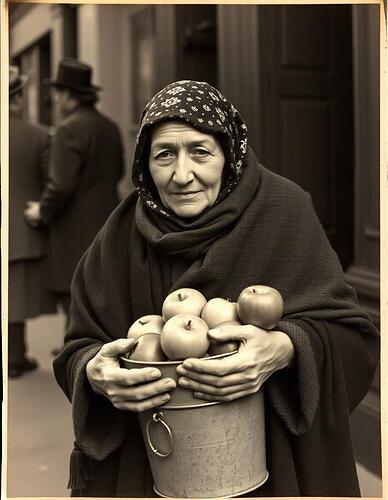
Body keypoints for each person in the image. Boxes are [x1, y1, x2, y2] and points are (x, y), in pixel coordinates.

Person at [53, 80, 379, 497]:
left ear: (230, 153)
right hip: (151, 461)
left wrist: (286, 348)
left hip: (272, 469)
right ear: (143, 163)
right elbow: (77, 348)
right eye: (164, 154)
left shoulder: (284, 211)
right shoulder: (118, 236)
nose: (181, 175)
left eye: (201, 152)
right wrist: (95, 374)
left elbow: (353, 336)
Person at [24, 58, 124, 325]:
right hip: (106, 224)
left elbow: (60, 185)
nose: (56, 101)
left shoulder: (68, 129)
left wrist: (41, 212)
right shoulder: (110, 127)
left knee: (72, 297)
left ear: (68, 94)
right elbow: (120, 173)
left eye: (57, 94)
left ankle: (75, 352)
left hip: (72, 232)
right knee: (97, 293)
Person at [8, 66, 56, 378]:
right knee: (16, 294)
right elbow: (49, 181)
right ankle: (14, 357)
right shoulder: (39, 135)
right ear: (18, 97)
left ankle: (14, 356)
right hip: (21, 227)